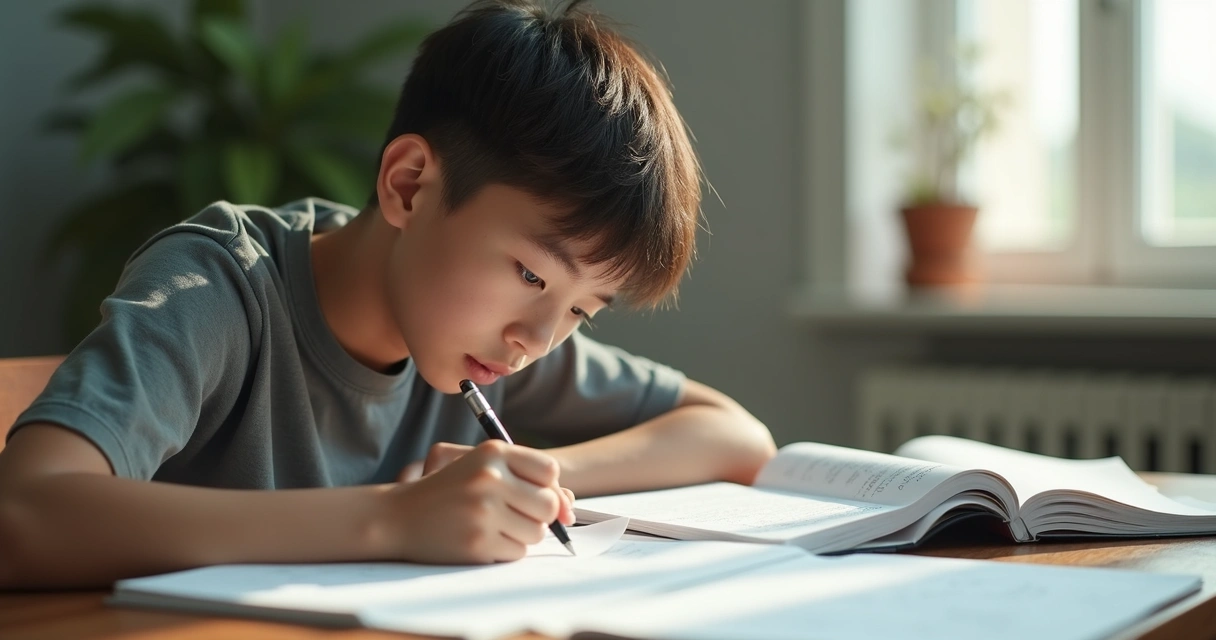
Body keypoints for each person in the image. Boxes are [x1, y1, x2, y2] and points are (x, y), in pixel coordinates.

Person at [0, 0, 775, 589]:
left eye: (580, 310)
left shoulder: (487, 343)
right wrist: (393, 516)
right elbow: (24, 513)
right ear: (410, 186)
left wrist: (533, 480)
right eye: (534, 275)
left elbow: (733, 436)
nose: (537, 339)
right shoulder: (219, 290)